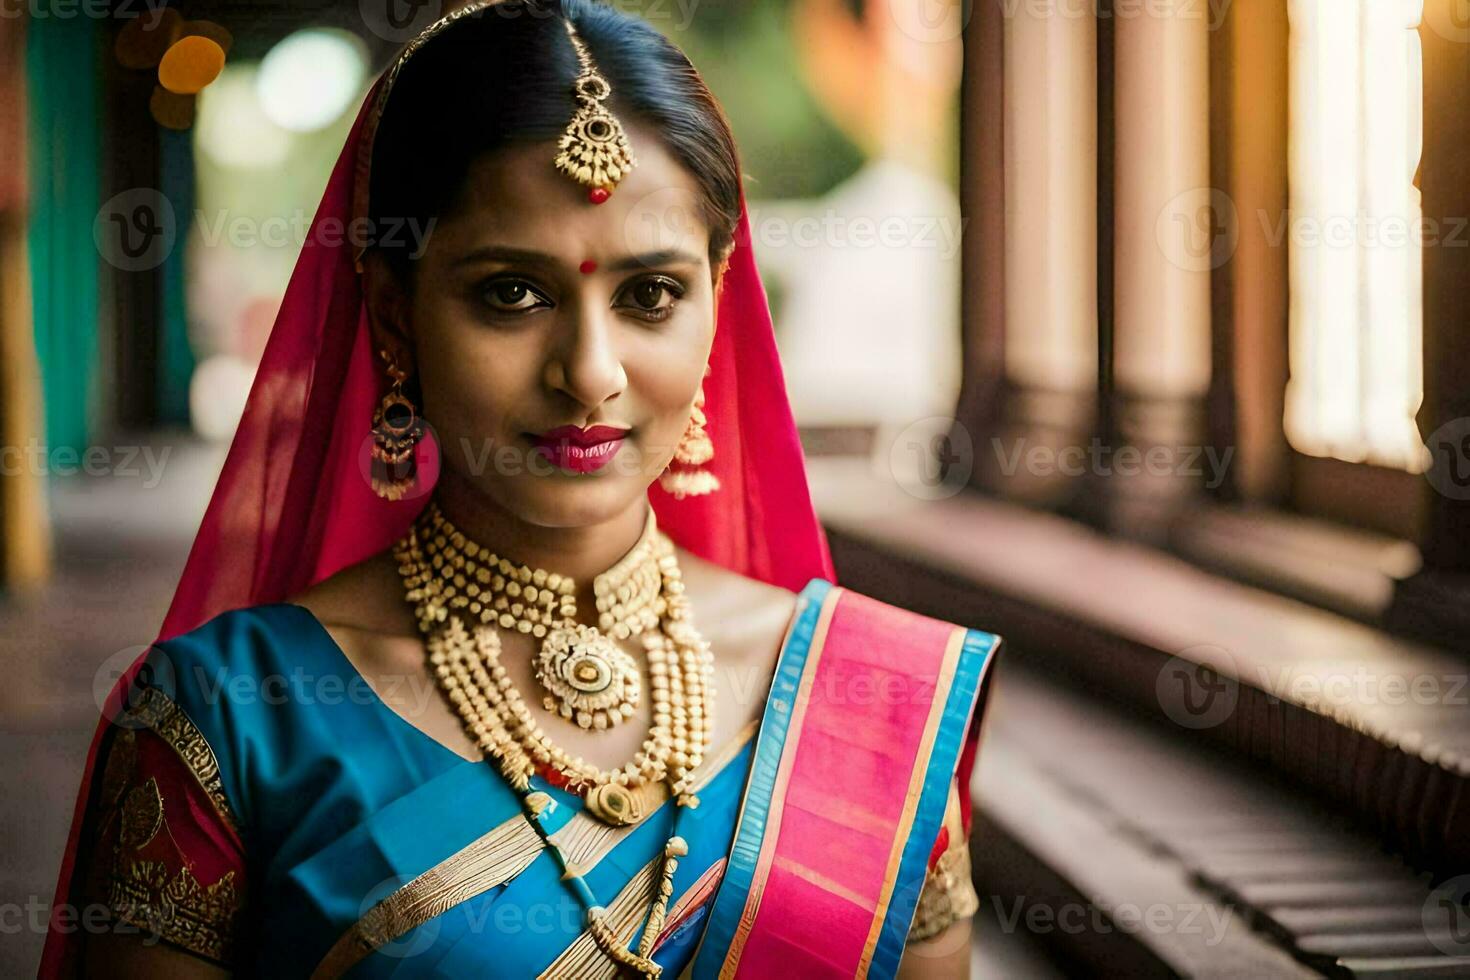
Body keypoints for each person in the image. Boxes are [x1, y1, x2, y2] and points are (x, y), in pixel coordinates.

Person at [41, 2, 999, 976]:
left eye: (650, 294)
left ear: (717, 294)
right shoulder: (230, 716)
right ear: (394, 310)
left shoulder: (871, 707)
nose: (590, 372)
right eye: (512, 292)